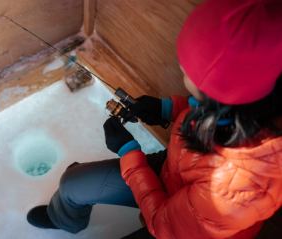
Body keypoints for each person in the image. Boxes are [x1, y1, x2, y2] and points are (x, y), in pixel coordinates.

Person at [26, 0, 282, 238]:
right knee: (73, 183)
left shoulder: (236, 189)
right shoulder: (249, 103)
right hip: (175, 168)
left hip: (184, 229)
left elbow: (162, 225)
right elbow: (207, 112)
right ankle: (65, 220)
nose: (180, 69)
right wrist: (165, 109)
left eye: (186, 70)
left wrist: (128, 152)